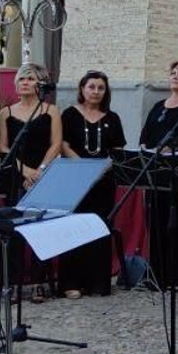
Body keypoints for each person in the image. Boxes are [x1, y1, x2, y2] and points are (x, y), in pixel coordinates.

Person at [58, 70, 127, 298]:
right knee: (73, 228)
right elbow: (63, 143)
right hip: (75, 179)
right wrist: (83, 168)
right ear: (82, 89)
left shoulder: (112, 117)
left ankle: (98, 282)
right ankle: (71, 283)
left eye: (100, 88)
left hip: (103, 181)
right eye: (91, 87)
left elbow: (117, 150)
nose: (95, 91)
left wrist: (100, 169)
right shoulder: (69, 114)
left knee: (98, 228)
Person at [0, 63, 62, 299]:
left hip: (44, 174)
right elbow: (3, 147)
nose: (25, 82)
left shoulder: (50, 110)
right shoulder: (7, 112)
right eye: (22, 79)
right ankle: (13, 283)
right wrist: (25, 171)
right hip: (17, 174)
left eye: (31, 79)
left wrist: (40, 170)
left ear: (40, 84)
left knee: (41, 228)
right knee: (15, 230)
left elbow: (56, 143)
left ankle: (38, 281)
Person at [138, 60, 178, 291]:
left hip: (177, 171)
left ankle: (176, 278)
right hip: (155, 170)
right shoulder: (158, 106)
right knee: (155, 221)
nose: (175, 76)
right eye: (172, 72)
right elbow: (146, 134)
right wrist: (146, 146)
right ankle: (155, 275)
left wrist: (169, 149)